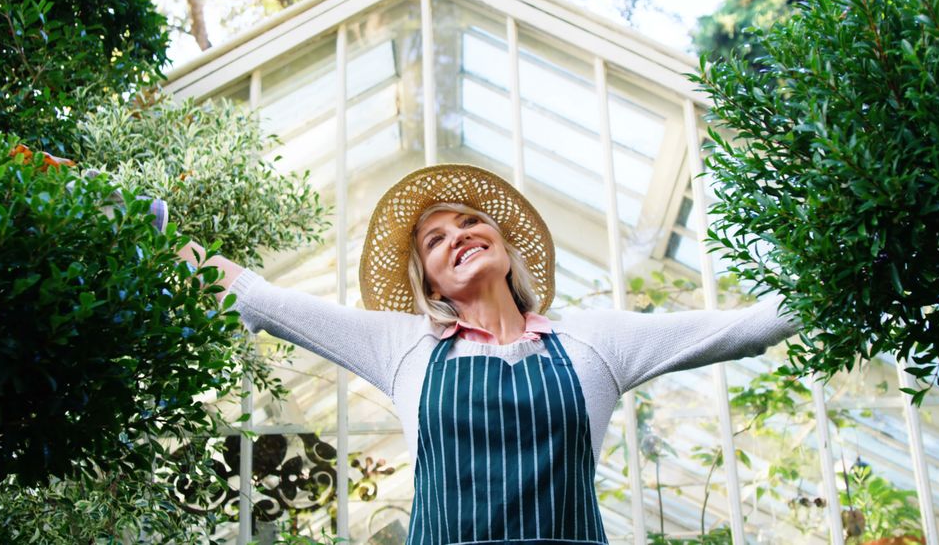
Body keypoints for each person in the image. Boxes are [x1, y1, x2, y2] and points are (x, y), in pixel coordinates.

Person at [179, 164, 796, 544]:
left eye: (473, 221)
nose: (461, 235)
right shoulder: (405, 349)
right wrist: (143, 226)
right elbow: (261, 300)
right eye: (436, 239)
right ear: (431, 285)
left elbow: (748, 327)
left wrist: (862, 267)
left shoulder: (594, 342)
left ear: (502, 243)